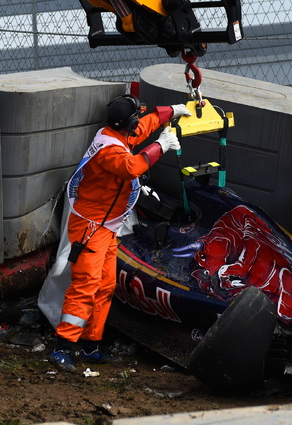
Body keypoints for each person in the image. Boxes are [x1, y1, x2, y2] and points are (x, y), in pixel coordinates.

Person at [50, 94, 191, 372]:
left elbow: (147, 123)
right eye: (134, 117)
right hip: (91, 228)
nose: (138, 120)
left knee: (104, 287)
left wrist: (173, 110)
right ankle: (62, 347)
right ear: (125, 122)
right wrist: (160, 146)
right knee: (85, 287)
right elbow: (132, 168)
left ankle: (92, 345)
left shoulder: (118, 133)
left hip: (106, 227)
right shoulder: (108, 149)